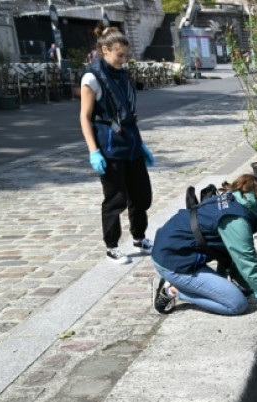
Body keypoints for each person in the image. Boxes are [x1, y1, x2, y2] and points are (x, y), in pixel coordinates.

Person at [150, 174, 257, 326]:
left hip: (177, 249)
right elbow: (250, 268)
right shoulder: (237, 220)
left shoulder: (237, 198)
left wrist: (250, 286)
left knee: (233, 291)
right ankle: (173, 290)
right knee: (236, 304)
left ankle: (179, 285)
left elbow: (232, 256)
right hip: (174, 261)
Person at [79, 24, 155, 264]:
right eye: (119, 55)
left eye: (126, 55)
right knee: (115, 199)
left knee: (141, 196)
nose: (124, 60)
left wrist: (140, 144)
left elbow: (128, 115)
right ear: (105, 50)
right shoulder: (92, 78)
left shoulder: (121, 75)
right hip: (109, 147)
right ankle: (112, 246)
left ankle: (139, 237)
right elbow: (85, 117)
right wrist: (94, 151)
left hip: (131, 144)